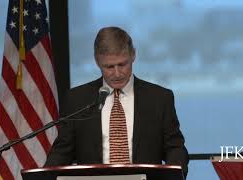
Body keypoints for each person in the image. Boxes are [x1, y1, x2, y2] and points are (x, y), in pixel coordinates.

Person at [44, 26, 189, 177]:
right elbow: (62, 152)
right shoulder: (77, 100)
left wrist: (174, 175)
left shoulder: (159, 98)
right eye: (109, 67)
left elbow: (175, 148)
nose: (117, 73)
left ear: (133, 55)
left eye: (122, 64)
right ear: (97, 61)